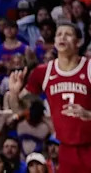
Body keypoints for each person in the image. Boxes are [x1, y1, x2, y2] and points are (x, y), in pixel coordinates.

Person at [6, 22, 91, 170]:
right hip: (65, 149)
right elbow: (19, 110)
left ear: (79, 42)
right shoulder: (42, 72)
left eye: (68, 34)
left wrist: (88, 114)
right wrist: (14, 94)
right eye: (58, 34)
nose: (62, 37)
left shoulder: (89, 68)